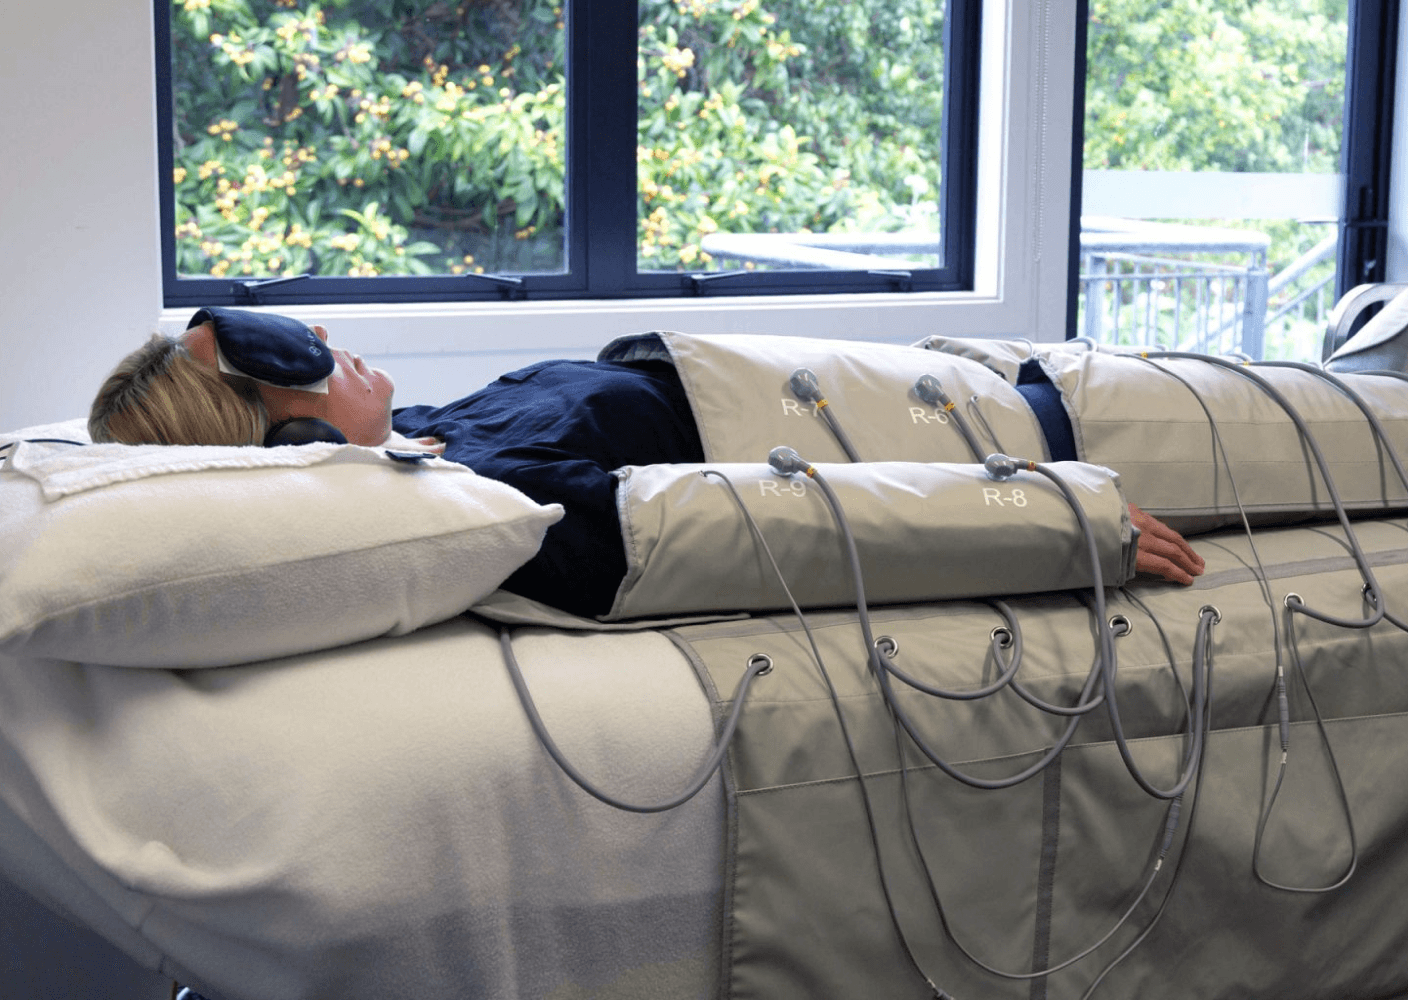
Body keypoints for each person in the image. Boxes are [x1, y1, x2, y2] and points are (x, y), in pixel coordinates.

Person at [89, 319, 1205, 617]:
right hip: (1026, 440)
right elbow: (753, 524)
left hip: (978, 384)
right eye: (288, 358)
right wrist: (1053, 516)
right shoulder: (490, 510)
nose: (325, 337)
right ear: (285, 439)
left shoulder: (426, 434)